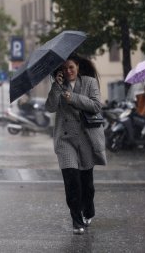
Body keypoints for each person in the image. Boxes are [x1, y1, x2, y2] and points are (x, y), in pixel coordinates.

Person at [45, 53, 107, 235]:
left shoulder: (89, 82)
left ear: (77, 66)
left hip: (86, 139)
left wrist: (73, 98)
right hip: (65, 141)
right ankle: (76, 221)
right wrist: (56, 87)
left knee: (87, 184)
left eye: (71, 67)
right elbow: (49, 107)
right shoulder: (57, 85)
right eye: (64, 68)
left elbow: (96, 106)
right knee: (72, 182)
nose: (68, 71)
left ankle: (88, 210)